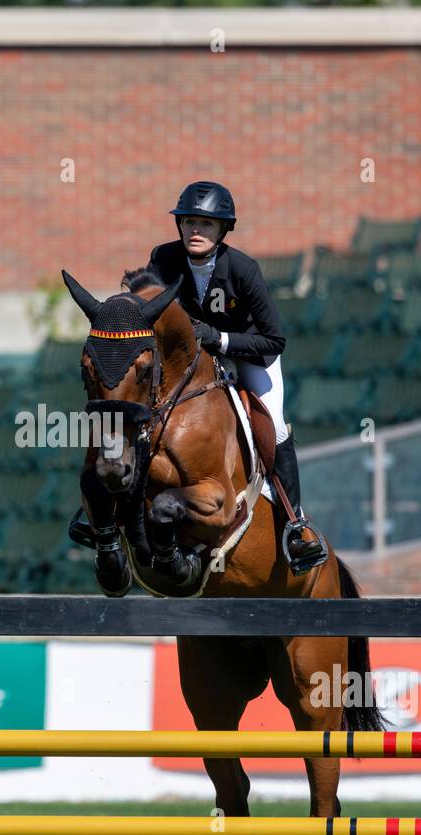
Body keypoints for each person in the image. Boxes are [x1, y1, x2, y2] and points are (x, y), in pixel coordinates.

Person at [145, 181, 325, 572]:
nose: (196, 230)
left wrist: (222, 339)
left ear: (223, 230)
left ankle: (296, 526)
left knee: (274, 428)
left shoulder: (242, 269)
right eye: (189, 221)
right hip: (188, 365)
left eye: (207, 224)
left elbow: (274, 339)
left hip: (246, 357)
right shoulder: (163, 259)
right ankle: (104, 508)